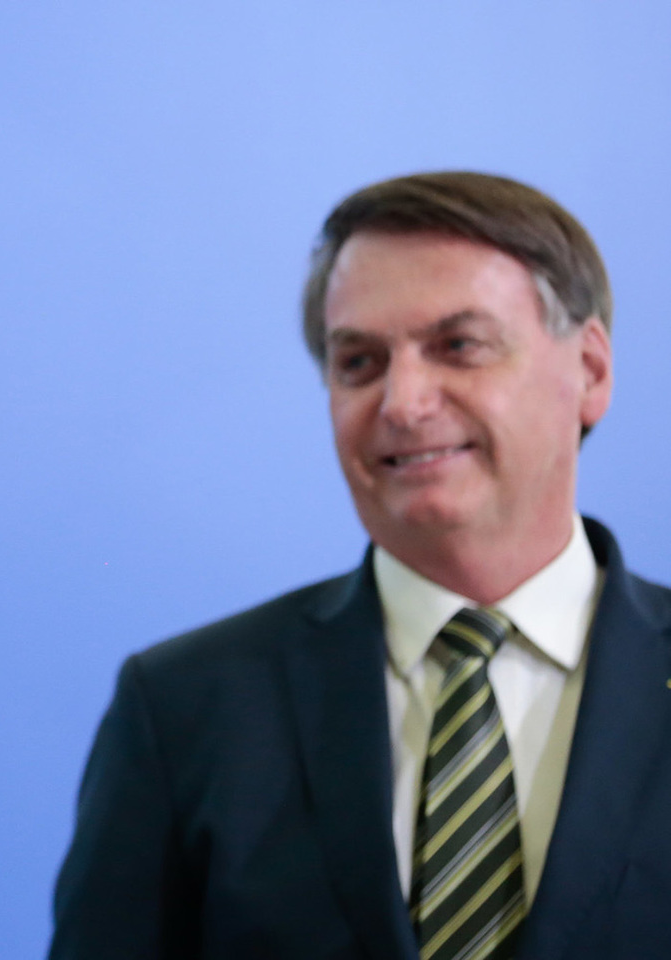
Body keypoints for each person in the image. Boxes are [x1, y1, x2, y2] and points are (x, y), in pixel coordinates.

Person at [49, 172, 671, 959]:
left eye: (459, 346)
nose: (403, 401)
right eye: (360, 363)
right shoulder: (183, 710)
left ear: (590, 371)